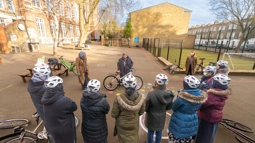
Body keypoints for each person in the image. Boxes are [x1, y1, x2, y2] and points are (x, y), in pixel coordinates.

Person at [168, 75, 207, 143]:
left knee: (176, 139)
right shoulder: (201, 96)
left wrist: (178, 96)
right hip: (192, 118)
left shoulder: (182, 97)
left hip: (180, 120)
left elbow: (174, 107)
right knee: (187, 138)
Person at [194, 74, 231, 143]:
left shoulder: (212, 95)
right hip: (215, 117)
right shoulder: (221, 93)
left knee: (203, 136)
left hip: (207, 118)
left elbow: (202, 104)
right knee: (210, 135)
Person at [42, 76, 77, 143]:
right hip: (63, 130)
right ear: (59, 87)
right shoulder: (64, 101)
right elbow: (74, 107)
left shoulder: (45, 96)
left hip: (51, 127)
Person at [111, 75, 145, 143]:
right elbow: (141, 112)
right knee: (134, 138)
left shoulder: (118, 99)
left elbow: (114, 114)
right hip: (134, 124)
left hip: (122, 124)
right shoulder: (141, 98)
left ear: (124, 85)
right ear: (135, 85)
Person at [145, 74, 174, 143]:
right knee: (159, 131)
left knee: (151, 131)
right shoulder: (169, 94)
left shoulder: (151, 94)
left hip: (151, 116)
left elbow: (146, 107)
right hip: (161, 116)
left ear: (157, 82)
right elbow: (169, 107)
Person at [27, 65, 51, 139]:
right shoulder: (43, 88)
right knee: (52, 124)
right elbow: (52, 98)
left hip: (38, 105)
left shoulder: (32, 82)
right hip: (45, 108)